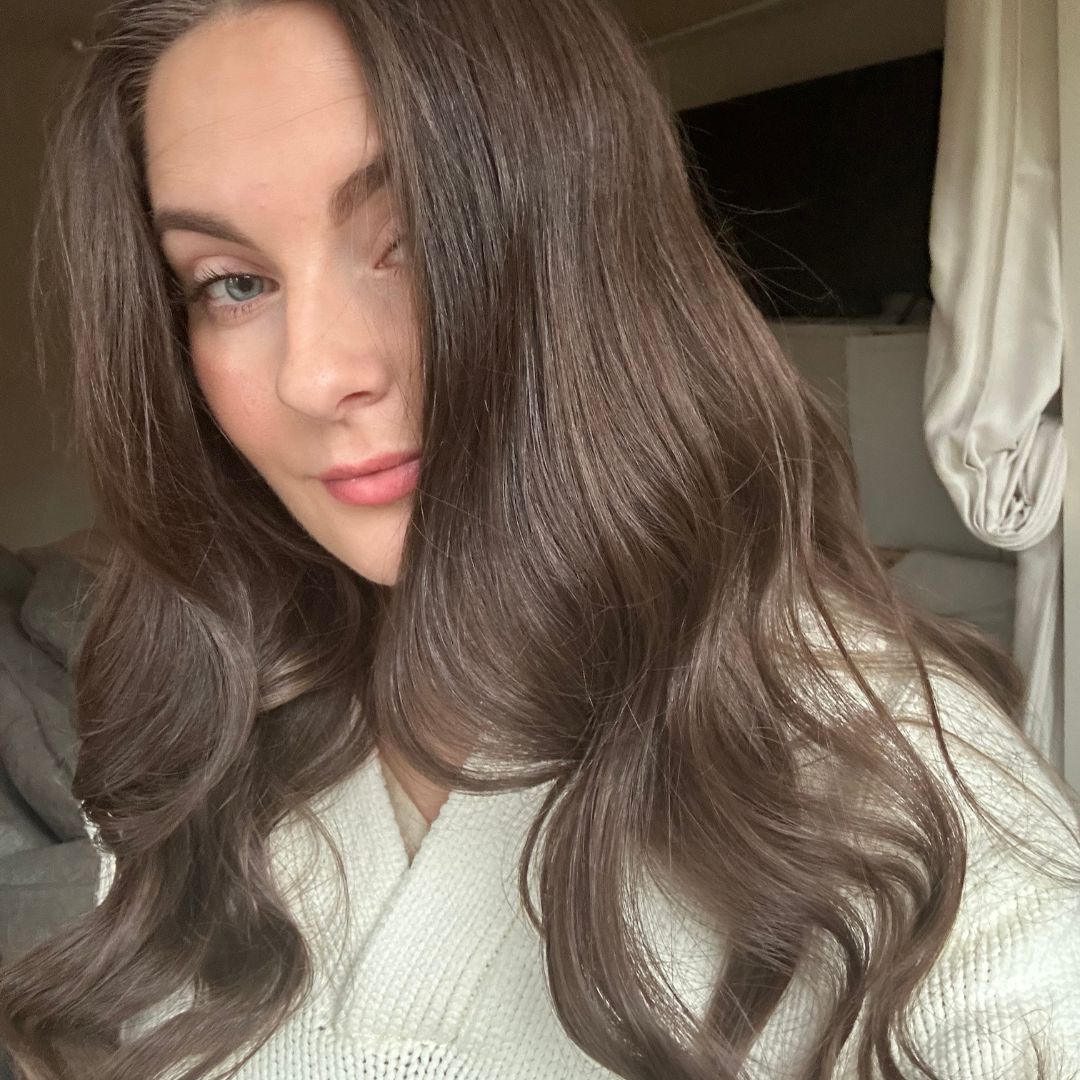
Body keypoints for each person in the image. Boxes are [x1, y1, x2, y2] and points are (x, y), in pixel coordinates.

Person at [1, 0, 1078, 1077]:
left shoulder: (892, 780)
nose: (315, 376)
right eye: (234, 285)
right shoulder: (210, 692)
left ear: (596, 253)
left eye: (414, 240)